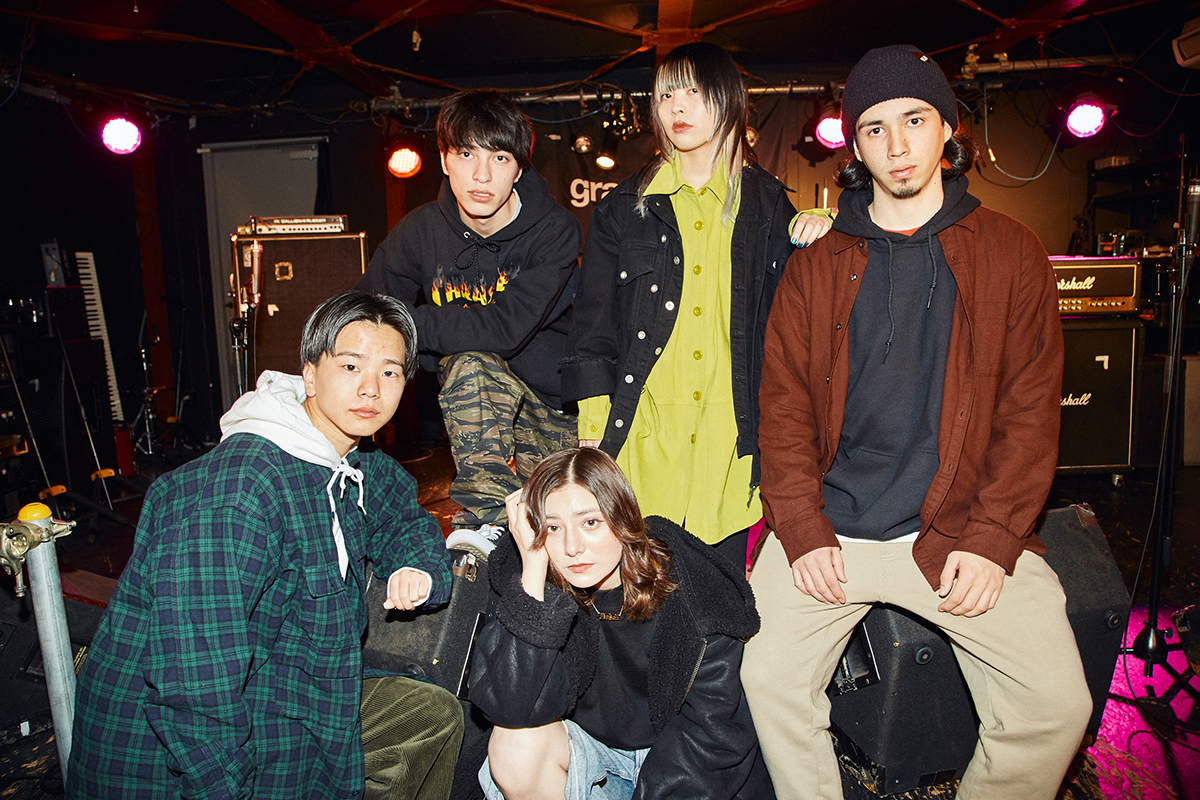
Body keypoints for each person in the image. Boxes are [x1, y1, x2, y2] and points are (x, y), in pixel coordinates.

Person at [741, 45, 1092, 799]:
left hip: (959, 528)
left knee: (1056, 706)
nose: (896, 145)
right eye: (874, 128)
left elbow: (1030, 410)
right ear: (855, 146)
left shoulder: (1011, 252)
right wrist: (800, 527)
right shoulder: (817, 265)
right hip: (835, 530)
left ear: (947, 129)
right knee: (766, 678)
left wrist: (993, 539)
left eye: (914, 120)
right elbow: (784, 408)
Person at [68, 291, 464, 799]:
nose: (371, 388)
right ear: (310, 375)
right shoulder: (241, 490)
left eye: (390, 372)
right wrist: (223, 789)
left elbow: (401, 516)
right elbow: (194, 680)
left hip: (286, 684)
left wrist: (416, 567)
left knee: (428, 715)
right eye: (350, 365)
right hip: (179, 752)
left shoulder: (347, 458)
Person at [562, 42, 829, 561]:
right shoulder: (624, 207)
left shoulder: (768, 204)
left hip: (730, 447)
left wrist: (830, 227)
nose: (676, 107)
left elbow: (802, 321)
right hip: (642, 439)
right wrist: (594, 431)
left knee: (723, 599)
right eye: (665, 95)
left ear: (728, 99)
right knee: (640, 597)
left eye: (693, 92)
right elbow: (592, 325)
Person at [466, 447, 767, 800]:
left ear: (622, 517)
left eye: (590, 522)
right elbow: (507, 708)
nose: (572, 547)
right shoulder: (539, 588)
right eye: (553, 527)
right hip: (596, 759)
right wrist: (532, 570)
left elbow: (713, 736)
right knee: (513, 744)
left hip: (678, 767)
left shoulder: (691, 593)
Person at [358, 89, 581, 555]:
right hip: (477, 406)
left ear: (519, 169)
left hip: (551, 406)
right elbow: (367, 316)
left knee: (560, 531)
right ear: (444, 160)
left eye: (499, 158)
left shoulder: (554, 230)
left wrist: (409, 325)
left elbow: (506, 330)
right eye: (466, 154)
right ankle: (488, 524)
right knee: (470, 361)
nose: (482, 175)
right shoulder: (420, 231)